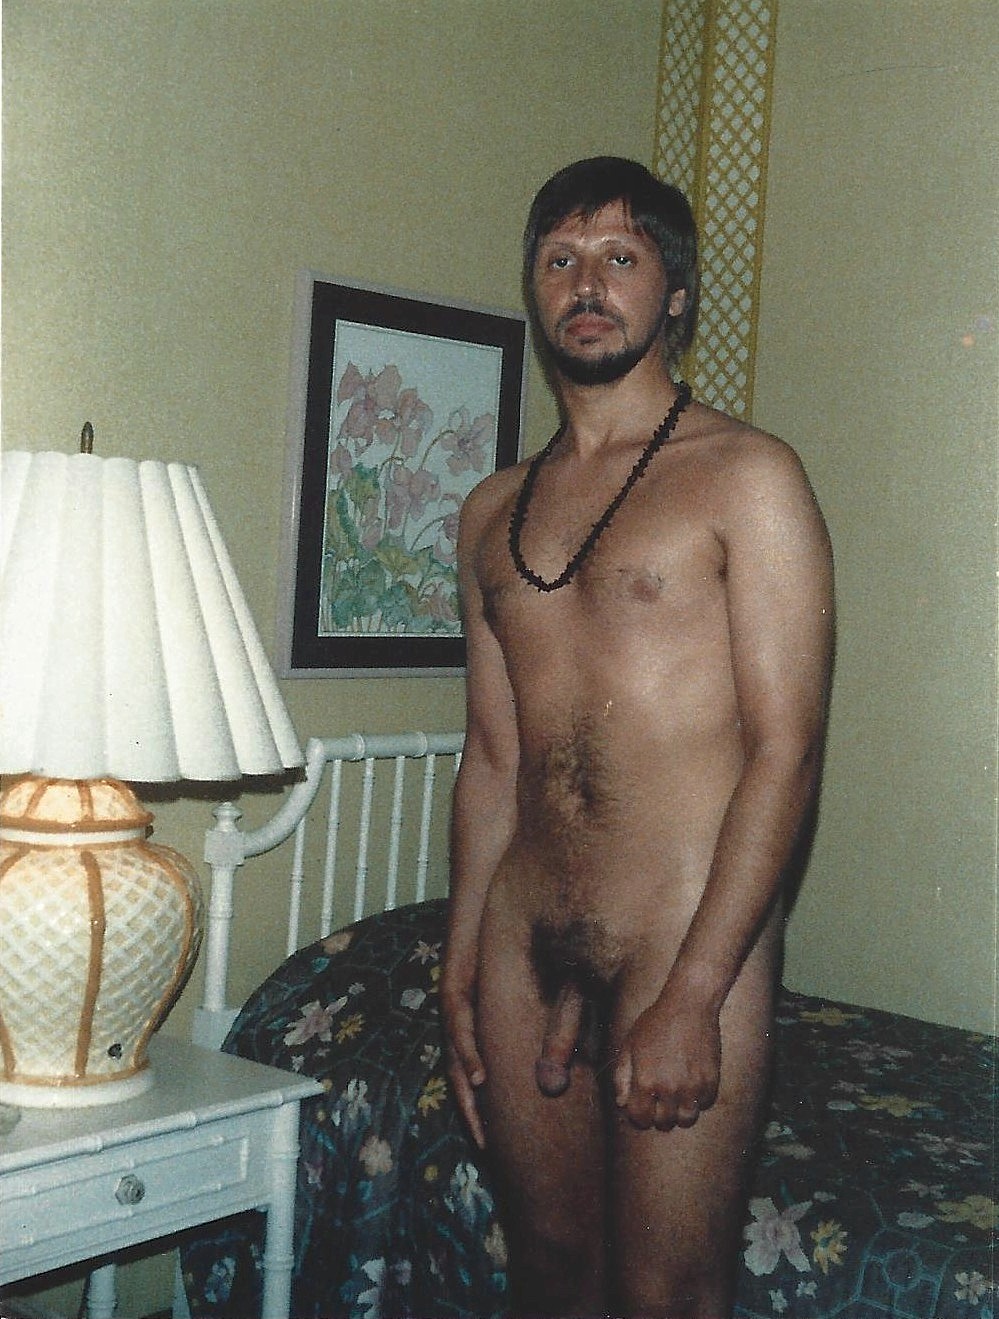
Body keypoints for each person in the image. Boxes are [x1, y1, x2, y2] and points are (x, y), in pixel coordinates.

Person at [442, 156, 834, 1319]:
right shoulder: (490, 511)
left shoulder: (747, 476)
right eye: (560, 259)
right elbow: (493, 757)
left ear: (676, 292)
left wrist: (697, 993)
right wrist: (459, 964)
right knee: (550, 1271)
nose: (587, 284)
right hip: (525, 937)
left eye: (621, 257)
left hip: (683, 933)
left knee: (669, 1293)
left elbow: (787, 750)